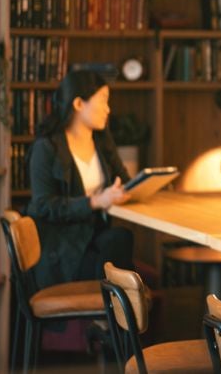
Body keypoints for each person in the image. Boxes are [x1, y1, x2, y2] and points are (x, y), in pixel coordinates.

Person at [27, 70, 134, 290]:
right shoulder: (46, 148)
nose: (108, 109)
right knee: (118, 255)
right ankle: (106, 318)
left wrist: (139, 186)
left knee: (121, 239)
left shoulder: (102, 140)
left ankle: (106, 320)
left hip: (93, 237)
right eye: (103, 101)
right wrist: (94, 202)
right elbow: (44, 205)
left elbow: (123, 180)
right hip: (62, 248)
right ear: (78, 104)